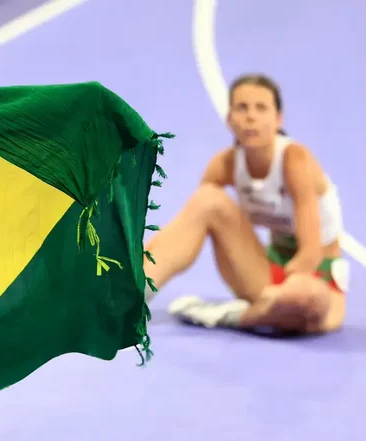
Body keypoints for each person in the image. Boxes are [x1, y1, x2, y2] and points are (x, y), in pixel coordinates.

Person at [143, 74, 348, 335]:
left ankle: (232, 316)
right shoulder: (225, 164)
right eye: (242, 108)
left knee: (304, 300)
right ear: (230, 118)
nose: (251, 116)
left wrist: (283, 294)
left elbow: (311, 254)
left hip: (317, 281)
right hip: (267, 275)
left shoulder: (295, 161)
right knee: (208, 199)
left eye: (261, 108)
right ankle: (131, 297)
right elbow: (186, 227)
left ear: (278, 119)